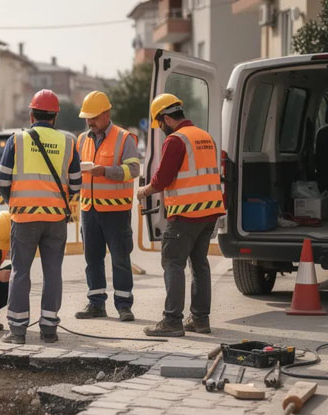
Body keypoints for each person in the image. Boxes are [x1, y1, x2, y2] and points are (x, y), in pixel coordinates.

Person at [0, 89, 82, 344]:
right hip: (56, 218)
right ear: (55, 117)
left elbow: (1, 179)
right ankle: (48, 329)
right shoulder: (68, 141)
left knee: (20, 271)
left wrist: (13, 201)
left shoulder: (17, 139)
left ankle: (18, 330)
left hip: (24, 217)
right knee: (53, 271)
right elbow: (76, 183)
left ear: (31, 114)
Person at [136, 93, 225, 337]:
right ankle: (199, 320)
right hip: (210, 212)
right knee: (199, 265)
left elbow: (162, 180)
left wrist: (143, 190)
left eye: (160, 124)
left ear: (166, 118)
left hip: (186, 213)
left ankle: (172, 321)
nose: (161, 129)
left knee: (173, 263)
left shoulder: (176, 140)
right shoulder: (205, 137)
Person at [73, 90, 142, 323]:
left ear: (106, 114)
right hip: (89, 210)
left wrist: (105, 172)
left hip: (116, 212)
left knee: (120, 259)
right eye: (87, 117)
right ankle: (96, 304)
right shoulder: (81, 140)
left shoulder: (125, 138)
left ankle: (124, 305)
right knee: (92, 259)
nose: (89, 121)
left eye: (93, 117)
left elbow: (133, 170)